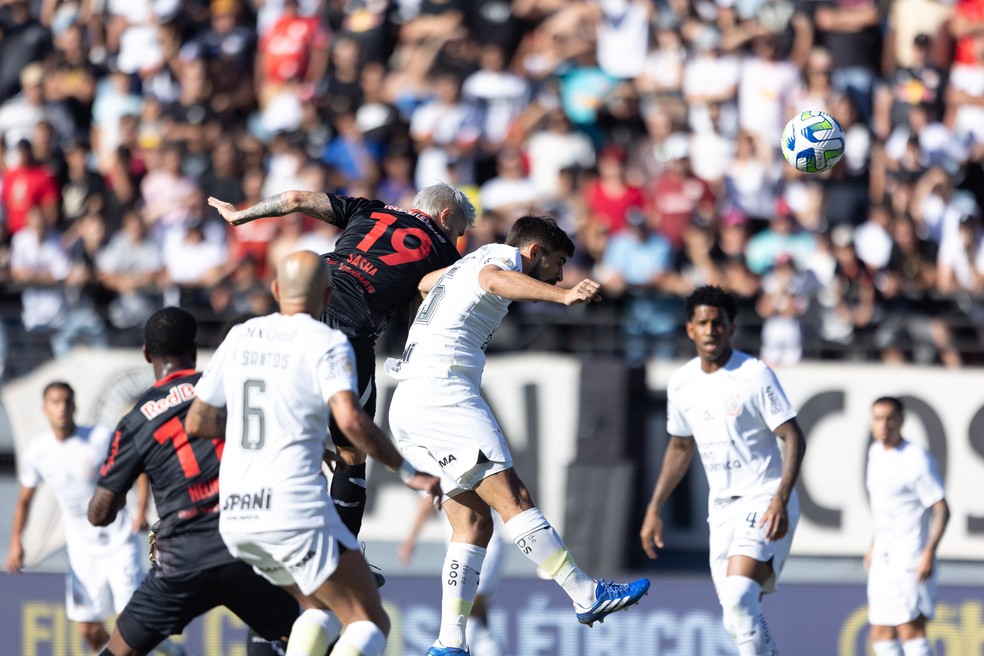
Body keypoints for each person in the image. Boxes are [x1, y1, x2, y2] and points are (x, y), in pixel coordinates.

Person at [385, 215, 651, 656]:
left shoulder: (463, 266)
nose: (561, 274)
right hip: (442, 391)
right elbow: (493, 280)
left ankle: (449, 642)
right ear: (534, 252)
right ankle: (584, 594)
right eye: (558, 264)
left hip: (410, 402)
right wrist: (562, 296)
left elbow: (426, 282)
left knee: (472, 523)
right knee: (515, 499)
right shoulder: (499, 259)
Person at [184, 250, 443, 656]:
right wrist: (410, 473)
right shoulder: (327, 341)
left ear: (274, 290)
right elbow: (353, 425)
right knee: (370, 621)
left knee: (316, 607)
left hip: (236, 517)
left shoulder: (240, 336)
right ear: (327, 297)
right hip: (292, 509)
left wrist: (280, 435)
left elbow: (198, 421)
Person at [207, 183, 473, 576]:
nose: (457, 240)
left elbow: (296, 199)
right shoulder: (447, 253)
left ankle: (196, 513)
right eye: (459, 231)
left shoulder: (368, 210)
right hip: (347, 329)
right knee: (352, 452)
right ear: (446, 216)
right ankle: (343, 557)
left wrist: (239, 216)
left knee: (256, 417)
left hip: (303, 306)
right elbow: (425, 293)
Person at [87, 306, 303, 656]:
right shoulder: (233, 387)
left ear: (146, 353)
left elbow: (100, 514)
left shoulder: (135, 422)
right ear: (194, 348)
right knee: (303, 637)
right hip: (246, 544)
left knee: (117, 651)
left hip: (182, 560)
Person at [639, 285, 807, 656]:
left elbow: (792, 436)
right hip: (721, 510)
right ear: (690, 329)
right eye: (703, 323)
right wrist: (654, 508)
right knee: (736, 617)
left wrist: (780, 497)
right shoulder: (682, 383)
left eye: (719, 323)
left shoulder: (754, 373)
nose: (711, 330)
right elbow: (681, 446)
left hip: (763, 498)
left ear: (731, 328)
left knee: (737, 597)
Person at [7, 382, 148, 653]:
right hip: (82, 550)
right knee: (90, 630)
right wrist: (16, 541)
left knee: (127, 624)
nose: (61, 408)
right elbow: (24, 501)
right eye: (55, 402)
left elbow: (138, 467)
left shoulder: (100, 438)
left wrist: (141, 511)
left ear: (75, 406)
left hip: (119, 542)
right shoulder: (38, 451)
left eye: (66, 402)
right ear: (44, 409)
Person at [865, 397, 949, 656]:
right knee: (881, 630)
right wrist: (872, 546)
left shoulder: (916, 458)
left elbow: (941, 508)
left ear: (901, 421)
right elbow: (885, 508)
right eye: (878, 418)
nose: (884, 425)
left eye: (890, 418)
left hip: (910, 555)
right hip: (883, 554)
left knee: (910, 628)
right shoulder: (875, 453)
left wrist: (929, 552)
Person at [399, 496, 505, 656]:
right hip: (458, 546)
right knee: (479, 612)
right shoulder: (432, 473)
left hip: (485, 545)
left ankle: (457, 647)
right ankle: (479, 648)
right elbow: (427, 501)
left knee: (474, 601)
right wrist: (411, 539)